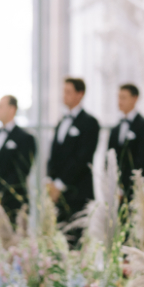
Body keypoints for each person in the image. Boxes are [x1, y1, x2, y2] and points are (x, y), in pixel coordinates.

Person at [47, 77, 100, 223]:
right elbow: (54, 153)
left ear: (80, 94)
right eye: (64, 91)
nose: (64, 95)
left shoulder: (90, 123)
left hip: (78, 192)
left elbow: (82, 158)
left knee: (76, 240)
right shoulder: (61, 121)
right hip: (56, 194)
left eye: (68, 91)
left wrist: (60, 184)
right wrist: (50, 180)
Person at [107, 83, 144, 202]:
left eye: (123, 97)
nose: (119, 101)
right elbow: (109, 157)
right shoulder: (115, 129)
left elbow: (142, 160)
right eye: (118, 97)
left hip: (136, 187)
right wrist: (114, 185)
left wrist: (125, 186)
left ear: (135, 98)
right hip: (116, 189)